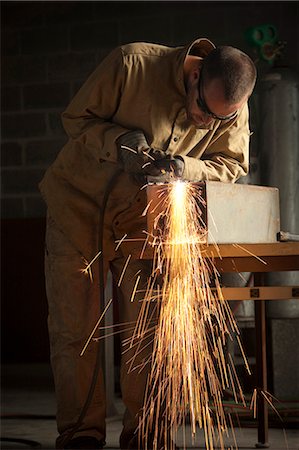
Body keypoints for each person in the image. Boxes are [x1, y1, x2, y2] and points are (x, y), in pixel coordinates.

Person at [39, 37, 257, 450]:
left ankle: (146, 431)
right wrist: (122, 144)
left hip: (142, 219)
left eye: (221, 120)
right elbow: (75, 120)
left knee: (152, 325)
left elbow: (231, 163)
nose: (209, 125)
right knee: (75, 327)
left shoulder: (230, 103)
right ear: (195, 76)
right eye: (206, 113)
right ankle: (81, 432)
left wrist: (185, 166)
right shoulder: (130, 64)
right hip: (77, 205)